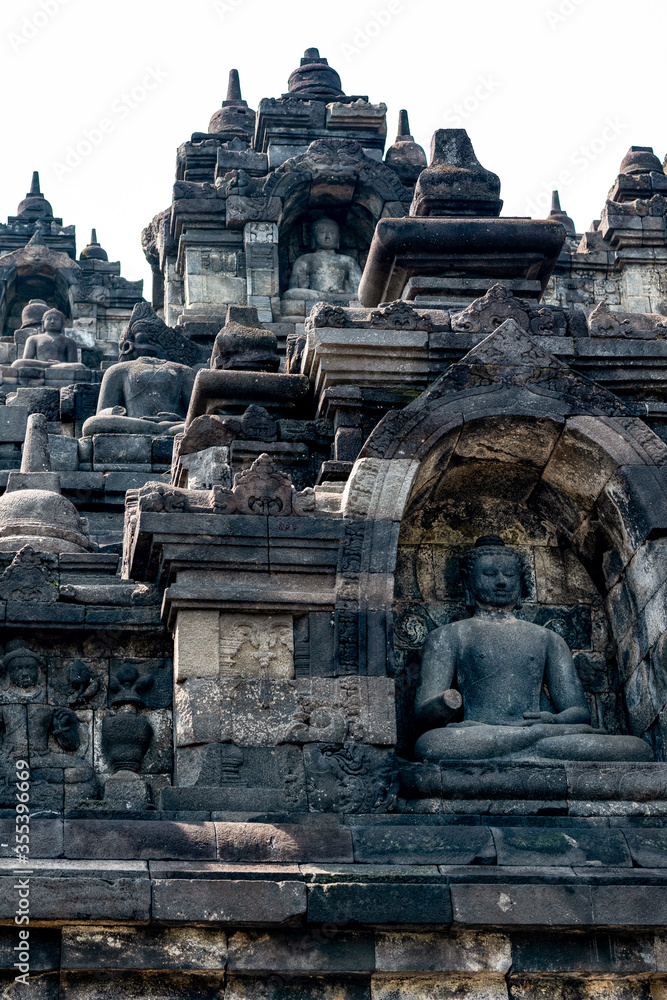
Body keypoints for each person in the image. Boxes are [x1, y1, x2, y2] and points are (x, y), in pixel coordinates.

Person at [414, 535, 654, 762]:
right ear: (468, 582)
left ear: (521, 582)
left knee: (637, 748)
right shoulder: (448, 636)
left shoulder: (547, 639)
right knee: (431, 744)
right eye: (488, 574)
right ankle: (531, 748)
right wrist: (446, 702)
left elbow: (580, 712)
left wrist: (554, 721)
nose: (500, 581)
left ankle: (529, 747)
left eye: (509, 574)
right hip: (481, 734)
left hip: (542, 733)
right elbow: (422, 715)